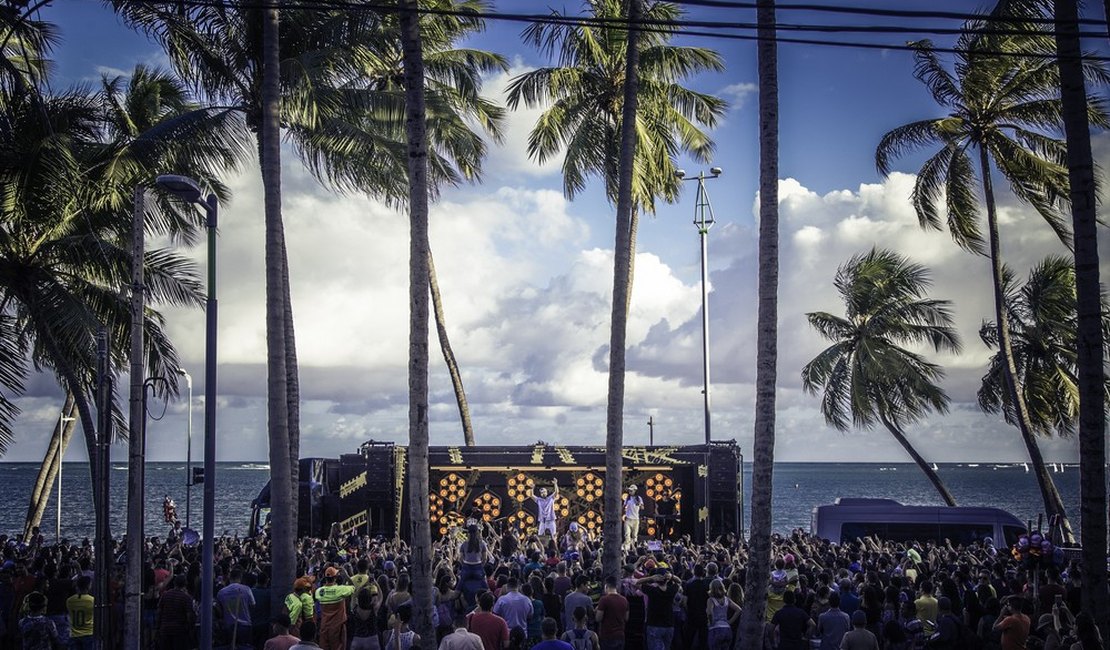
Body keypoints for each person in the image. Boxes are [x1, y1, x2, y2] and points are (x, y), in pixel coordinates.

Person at [638, 565, 681, 650]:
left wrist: (651, 578)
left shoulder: (652, 591)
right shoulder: (671, 590)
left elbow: (637, 583)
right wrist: (672, 577)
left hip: (654, 624)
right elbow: (679, 582)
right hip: (668, 625)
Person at [316, 565, 357, 650]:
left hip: (324, 626)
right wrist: (346, 575)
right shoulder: (341, 590)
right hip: (338, 628)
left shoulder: (319, 591)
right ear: (335, 578)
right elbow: (353, 587)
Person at [217, 568, 256, 646]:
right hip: (245, 624)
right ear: (240, 578)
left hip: (228, 625)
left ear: (230, 577)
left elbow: (219, 609)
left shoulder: (221, 592)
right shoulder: (247, 589)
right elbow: (253, 605)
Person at [156, 574, 195, 650]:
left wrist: (158, 627)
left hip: (165, 629)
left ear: (174, 583)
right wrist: (190, 628)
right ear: (185, 584)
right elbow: (189, 616)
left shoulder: (165, 595)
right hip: (179, 631)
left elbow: (159, 612)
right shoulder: (186, 598)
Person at [459, 524, 492, 610]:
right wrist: (480, 566)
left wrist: (465, 566)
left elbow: (461, 559)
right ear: (477, 533)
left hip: (467, 568)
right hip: (478, 567)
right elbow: (484, 559)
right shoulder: (482, 544)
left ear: (468, 533)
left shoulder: (464, 544)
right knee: (486, 588)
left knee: (459, 587)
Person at [596, 576, 629, 650]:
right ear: (616, 586)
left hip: (607, 635)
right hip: (620, 635)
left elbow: (598, 618)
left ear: (606, 586)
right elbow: (626, 618)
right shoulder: (624, 600)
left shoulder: (604, 600)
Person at [705, 578, 739, 650]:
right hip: (727, 629)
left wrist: (711, 622)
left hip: (715, 629)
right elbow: (738, 610)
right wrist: (730, 621)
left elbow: (710, 613)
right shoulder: (727, 600)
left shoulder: (711, 600)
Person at [66, 575, 95, 650]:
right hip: (88, 633)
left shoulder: (69, 600)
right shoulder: (92, 600)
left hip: (74, 634)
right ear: (88, 586)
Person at [622, 486, 644, 551]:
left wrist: (639, 504)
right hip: (628, 518)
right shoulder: (628, 498)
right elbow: (624, 506)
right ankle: (627, 549)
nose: (630, 492)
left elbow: (642, 507)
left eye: (631, 491)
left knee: (634, 535)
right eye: (629, 491)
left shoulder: (639, 498)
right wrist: (624, 510)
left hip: (635, 519)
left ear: (635, 491)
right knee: (627, 534)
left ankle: (634, 548)